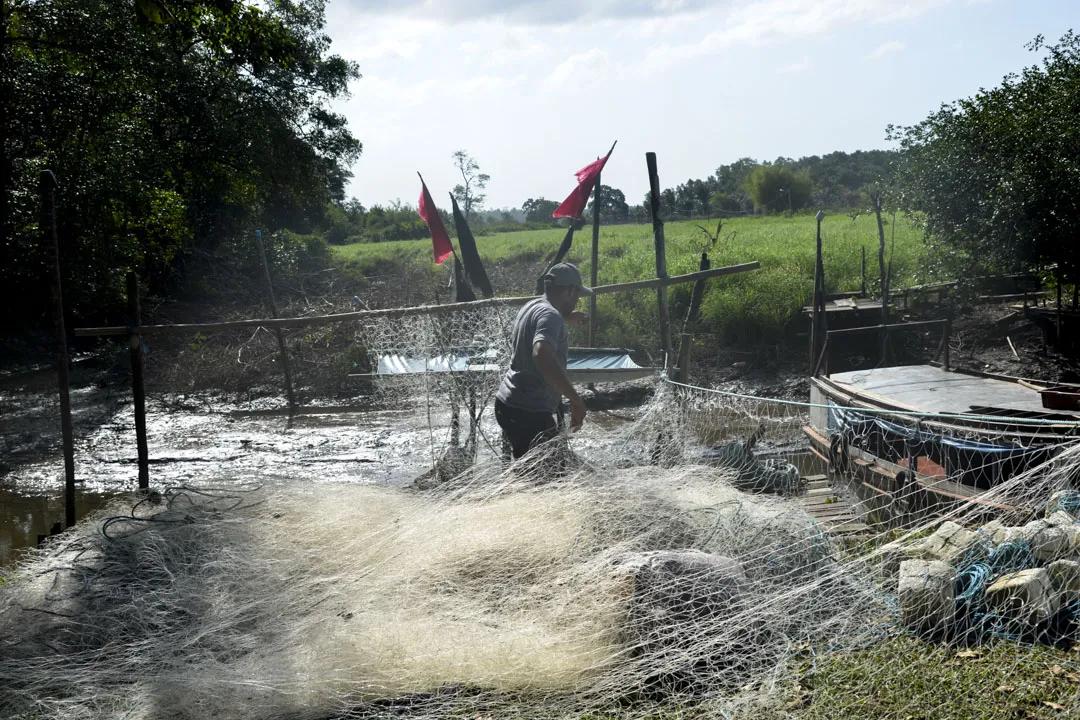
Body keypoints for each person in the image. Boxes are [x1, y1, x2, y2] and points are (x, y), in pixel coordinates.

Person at [494, 262, 591, 459]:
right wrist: (576, 400)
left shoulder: (532, 306)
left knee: (529, 471)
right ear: (570, 291)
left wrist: (564, 318)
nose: (577, 301)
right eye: (577, 295)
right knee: (549, 479)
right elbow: (542, 355)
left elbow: (540, 327)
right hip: (529, 411)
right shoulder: (551, 316)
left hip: (508, 404)